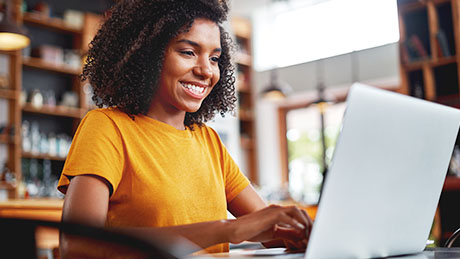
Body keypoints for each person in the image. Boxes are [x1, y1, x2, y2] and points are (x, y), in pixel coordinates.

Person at [57, 0, 312, 255]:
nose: (206, 71)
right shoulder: (107, 127)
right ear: (147, 55)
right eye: (188, 52)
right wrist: (228, 229)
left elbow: (272, 233)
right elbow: (79, 248)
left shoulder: (208, 141)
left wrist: (302, 234)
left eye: (214, 58)